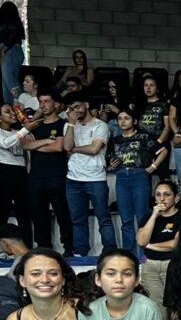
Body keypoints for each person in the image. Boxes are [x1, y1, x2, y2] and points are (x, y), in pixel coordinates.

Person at [108, 110, 166, 256]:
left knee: (142, 216)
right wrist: (111, 165)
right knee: (125, 218)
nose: (123, 121)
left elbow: (163, 151)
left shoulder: (144, 137)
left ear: (134, 121)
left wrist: (153, 167)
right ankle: (129, 254)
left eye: (126, 118)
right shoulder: (115, 140)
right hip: (121, 177)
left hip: (139, 175)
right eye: (120, 119)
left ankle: (144, 253)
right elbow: (110, 161)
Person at [61, 92, 112, 256]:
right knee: (77, 220)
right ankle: (80, 253)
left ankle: (110, 252)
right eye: (71, 108)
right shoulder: (69, 125)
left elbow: (94, 149)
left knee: (103, 219)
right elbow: (66, 146)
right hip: (73, 180)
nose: (74, 110)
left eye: (77, 106)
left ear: (87, 105)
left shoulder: (100, 126)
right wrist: (70, 125)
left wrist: (74, 149)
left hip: (95, 179)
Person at [22, 92, 73, 254]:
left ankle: (69, 249)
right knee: (38, 216)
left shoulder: (63, 124)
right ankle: (44, 250)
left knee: (62, 214)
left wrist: (35, 145)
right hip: (36, 176)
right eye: (40, 102)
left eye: (46, 101)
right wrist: (46, 142)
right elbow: (24, 145)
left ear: (56, 104)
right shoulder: (35, 125)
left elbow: (59, 147)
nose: (42, 105)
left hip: (57, 174)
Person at [135, 180, 181, 310]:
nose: (162, 199)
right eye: (158, 195)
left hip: (172, 264)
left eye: (167, 194)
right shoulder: (148, 216)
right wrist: (154, 216)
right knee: (156, 308)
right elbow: (141, 241)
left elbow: (175, 244)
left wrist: (149, 246)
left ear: (176, 198)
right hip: (150, 265)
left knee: (175, 309)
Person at [0, 104, 31, 241]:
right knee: (2, 213)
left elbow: (28, 152)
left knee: (24, 212)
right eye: (7, 112)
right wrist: (25, 130)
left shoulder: (18, 131)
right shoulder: (19, 132)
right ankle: (2, 249)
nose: (12, 113)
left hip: (21, 172)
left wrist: (26, 126)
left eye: (13, 111)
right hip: (4, 171)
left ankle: (27, 248)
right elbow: (5, 143)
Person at [0, 2, 24, 108]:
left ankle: (24, 103)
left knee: (9, 79)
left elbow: (12, 36)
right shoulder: (12, 22)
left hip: (10, 50)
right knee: (6, 83)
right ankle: (11, 109)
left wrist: (4, 49)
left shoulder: (10, 22)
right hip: (9, 50)